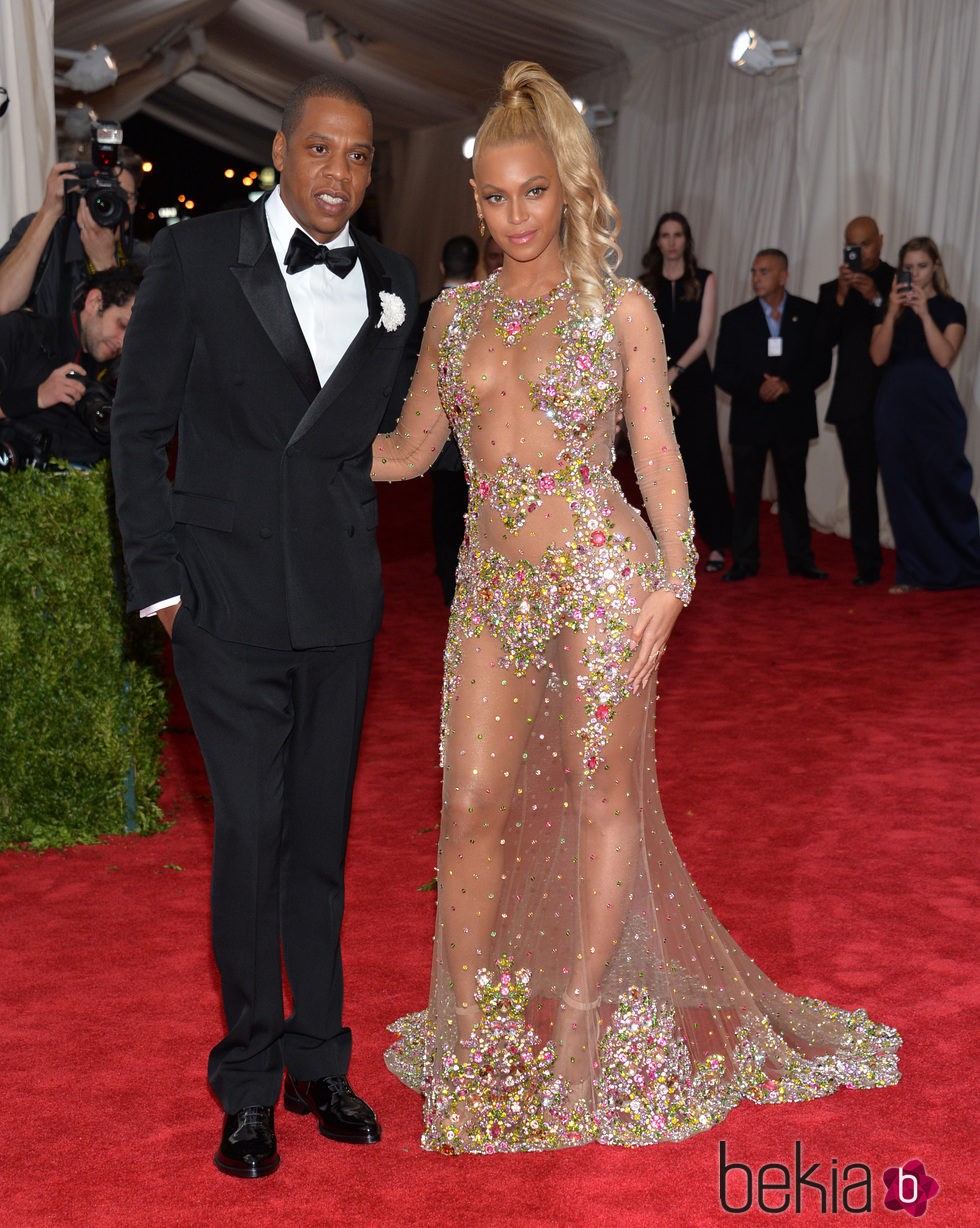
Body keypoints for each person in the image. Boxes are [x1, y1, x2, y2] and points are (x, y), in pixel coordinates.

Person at [374, 61, 900, 1154]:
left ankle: (577, 1012)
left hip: (602, 581)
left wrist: (674, 579)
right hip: (490, 586)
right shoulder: (452, 311)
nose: (512, 216)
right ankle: (470, 1020)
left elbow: (659, 458)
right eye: (492, 196)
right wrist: (276, 445)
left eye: (531, 192)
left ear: (565, 187)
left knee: (601, 795)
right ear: (475, 200)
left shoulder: (616, 307)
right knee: (468, 800)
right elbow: (411, 448)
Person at [111, 74, 419, 1178]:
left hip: (338, 604)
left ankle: (317, 1060)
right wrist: (161, 583)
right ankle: (245, 1078)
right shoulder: (196, 257)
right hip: (225, 604)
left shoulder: (392, 281)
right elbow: (139, 424)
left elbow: (386, 434)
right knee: (248, 839)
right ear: (281, 149)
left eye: (361, 158)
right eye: (323, 151)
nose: (340, 175)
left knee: (320, 846)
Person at [870, 236, 980, 592]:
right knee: (902, 489)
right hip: (894, 406)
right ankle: (913, 572)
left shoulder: (952, 308)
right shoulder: (888, 309)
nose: (914, 274)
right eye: (908, 267)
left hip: (937, 408)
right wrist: (890, 311)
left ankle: (966, 565)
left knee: (946, 484)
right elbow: (877, 357)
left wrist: (923, 313)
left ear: (935, 267)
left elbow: (945, 356)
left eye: (921, 266)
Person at [714, 249, 831, 581]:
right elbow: (722, 371)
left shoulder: (809, 315)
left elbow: (821, 364)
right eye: (754, 271)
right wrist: (758, 388)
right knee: (747, 494)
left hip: (792, 417)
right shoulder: (735, 319)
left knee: (794, 491)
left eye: (764, 272)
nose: (756, 278)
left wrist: (788, 385)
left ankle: (801, 560)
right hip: (750, 418)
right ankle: (745, 560)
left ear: (783, 276)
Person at [640, 212, 732, 572]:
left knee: (704, 460)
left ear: (686, 240)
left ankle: (717, 543)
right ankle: (670, 548)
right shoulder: (645, 284)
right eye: (665, 235)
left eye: (678, 234)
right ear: (657, 242)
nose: (672, 241)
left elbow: (704, 335)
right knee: (662, 467)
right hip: (654, 381)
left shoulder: (704, 279)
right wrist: (659, 382)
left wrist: (674, 372)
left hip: (693, 381)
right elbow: (641, 338)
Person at [817, 217, 894, 585]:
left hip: (896, 398)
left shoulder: (898, 280)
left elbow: (906, 334)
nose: (858, 251)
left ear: (880, 241)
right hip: (852, 402)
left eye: (864, 243)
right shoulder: (833, 289)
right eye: (851, 244)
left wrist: (875, 298)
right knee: (861, 489)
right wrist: (844, 296)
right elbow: (822, 341)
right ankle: (868, 565)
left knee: (903, 483)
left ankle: (917, 557)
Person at [0, 267, 139, 467]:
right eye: (122, 325)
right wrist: (38, 395)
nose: (123, 344)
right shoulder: (22, 331)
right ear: (94, 302)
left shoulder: (112, 383)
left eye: (134, 338)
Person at [0, 151, 149, 320]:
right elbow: (3, 301)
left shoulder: (145, 260)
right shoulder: (41, 232)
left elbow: (136, 336)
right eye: (102, 191)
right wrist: (48, 212)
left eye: (124, 196)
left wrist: (107, 267)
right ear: (80, 192)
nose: (110, 203)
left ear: (134, 204)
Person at [423, 234, 479, 603]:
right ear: (476, 268)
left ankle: (450, 582)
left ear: (442, 267)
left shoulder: (423, 311)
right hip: (480, 434)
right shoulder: (486, 311)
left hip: (436, 434)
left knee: (445, 511)